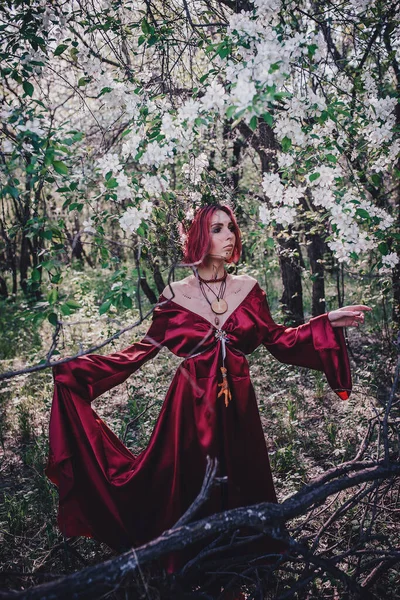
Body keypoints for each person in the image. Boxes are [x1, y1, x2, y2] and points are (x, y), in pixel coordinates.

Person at [46, 204, 371, 573]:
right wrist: (78, 370)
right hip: (190, 406)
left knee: (242, 474)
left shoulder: (249, 289)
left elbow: (279, 338)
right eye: (217, 228)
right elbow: (141, 351)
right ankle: (189, 557)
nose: (229, 235)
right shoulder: (174, 296)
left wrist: (326, 321)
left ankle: (249, 553)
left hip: (239, 404)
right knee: (191, 480)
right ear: (199, 235)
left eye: (231, 227)